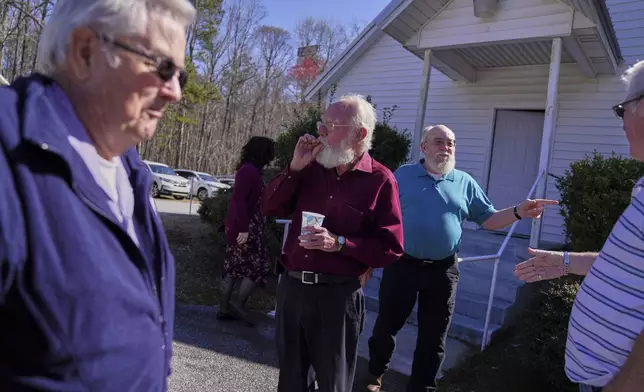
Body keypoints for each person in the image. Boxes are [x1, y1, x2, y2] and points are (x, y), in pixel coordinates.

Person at [0, 0, 196, 390]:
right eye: (162, 68)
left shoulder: (130, 168)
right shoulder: (10, 152)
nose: (174, 92)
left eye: (181, 76)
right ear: (86, 51)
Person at [364, 124, 559, 392]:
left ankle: (422, 388)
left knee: (434, 338)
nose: (446, 148)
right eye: (438, 142)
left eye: (451, 143)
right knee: (386, 327)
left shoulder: (464, 182)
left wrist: (518, 211)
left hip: (443, 271)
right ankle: (374, 376)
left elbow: (488, 219)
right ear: (423, 147)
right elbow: (382, 217)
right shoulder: (403, 176)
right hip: (403, 266)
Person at [514, 60, 644, 392]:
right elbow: (630, 266)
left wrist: (626, 384)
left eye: (621, 110)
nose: (622, 122)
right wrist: (566, 262)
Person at [261, 93, 405, 392]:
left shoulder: (380, 180)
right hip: (293, 288)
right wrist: (295, 167)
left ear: (360, 133)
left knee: (332, 383)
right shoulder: (311, 167)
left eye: (331, 125)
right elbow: (270, 208)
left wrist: (340, 243)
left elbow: (391, 247)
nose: (321, 132)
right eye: (321, 123)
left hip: (337, 296)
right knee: (290, 381)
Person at [218, 136, 275, 326]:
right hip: (247, 227)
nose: (271, 157)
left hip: (243, 226)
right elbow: (239, 201)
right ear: (262, 152)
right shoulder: (249, 171)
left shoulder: (248, 170)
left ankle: (225, 308)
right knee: (258, 266)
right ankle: (238, 305)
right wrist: (243, 229)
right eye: (269, 152)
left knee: (234, 266)